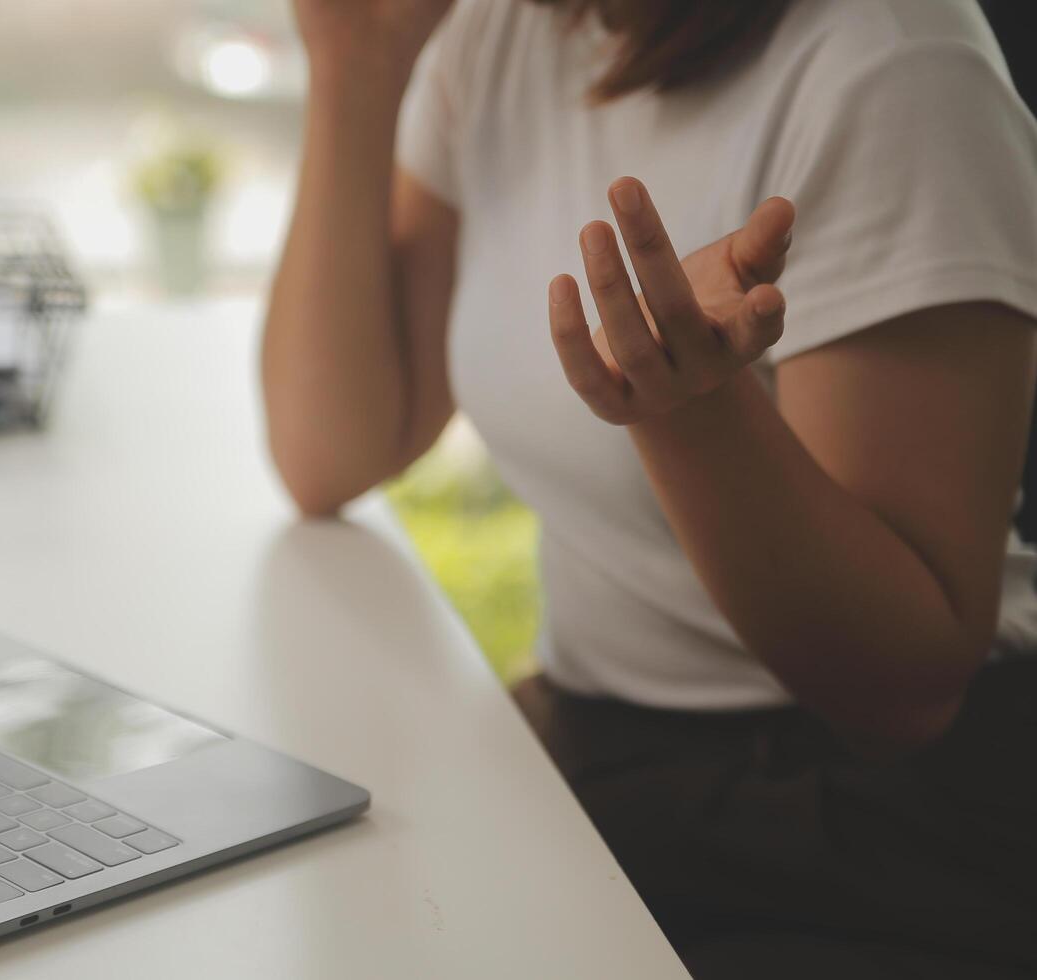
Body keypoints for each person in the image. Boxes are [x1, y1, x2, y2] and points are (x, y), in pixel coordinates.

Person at [262, 0, 1037, 975]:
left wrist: (693, 412)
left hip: (857, 822)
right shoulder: (507, 32)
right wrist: (354, 63)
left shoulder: (894, 67)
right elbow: (330, 450)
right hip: (604, 741)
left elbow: (902, 691)